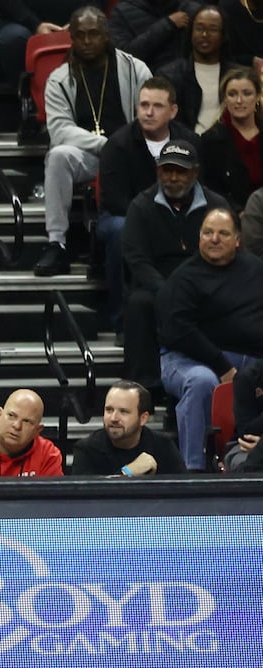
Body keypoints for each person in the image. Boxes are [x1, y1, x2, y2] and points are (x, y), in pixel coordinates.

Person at [35, 7, 153, 276]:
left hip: (129, 154)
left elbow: (149, 117)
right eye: (79, 36)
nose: (87, 42)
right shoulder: (60, 78)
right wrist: (105, 144)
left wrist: (120, 145)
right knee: (58, 156)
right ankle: (57, 243)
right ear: (72, 39)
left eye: (93, 34)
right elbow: (59, 130)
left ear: (106, 35)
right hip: (86, 154)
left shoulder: (136, 70)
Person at [158, 206, 263, 469]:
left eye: (223, 233)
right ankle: (192, 472)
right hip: (188, 360)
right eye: (208, 232)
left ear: (238, 240)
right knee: (201, 382)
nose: (214, 239)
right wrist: (222, 367)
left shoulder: (256, 269)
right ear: (199, 238)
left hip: (252, 361)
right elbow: (178, 331)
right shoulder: (183, 278)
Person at [120, 139, 228, 383]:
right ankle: (142, 387)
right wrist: (168, 291)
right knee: (139, 304)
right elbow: (137, 259)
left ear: (195, 172)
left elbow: (227, 252)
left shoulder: (216, 206)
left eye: (181, 171)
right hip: (157, 288)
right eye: (168, 170)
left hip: (204, 285)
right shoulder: (141, 206)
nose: (173, 177)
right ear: (158, 171)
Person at [96, 78, 199, 326]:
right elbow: (113, 199)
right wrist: (153, 219)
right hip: (123, 215)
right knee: (122, 230)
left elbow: (199, 188)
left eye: (157, 106)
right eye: (143, 105)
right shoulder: (117, 145)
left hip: (179, 211)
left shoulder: (190, 142)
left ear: (173, 111)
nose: (148, 112)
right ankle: (121, 318)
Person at [68, 380, 186, 475]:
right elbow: (85, 500)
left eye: (123, 412)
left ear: (143, 418)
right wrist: (127, 472)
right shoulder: (87, 449)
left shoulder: (163, 446)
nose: (114, 418)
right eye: (109, 410)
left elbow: (183, 495)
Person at [159, 7, 242, 133]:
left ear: (223, 35)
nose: (204, 35)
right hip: (186, 146)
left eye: (213, 29)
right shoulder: (169, 75)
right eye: (199, 28)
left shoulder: (237, 75)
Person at [198, 66, 263, 208]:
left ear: (258, 96)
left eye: (247, 93)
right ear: (225, 99)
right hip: (229, 217)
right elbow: (210, 190)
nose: (239, 100)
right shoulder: (211, 140)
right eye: (232, 94)